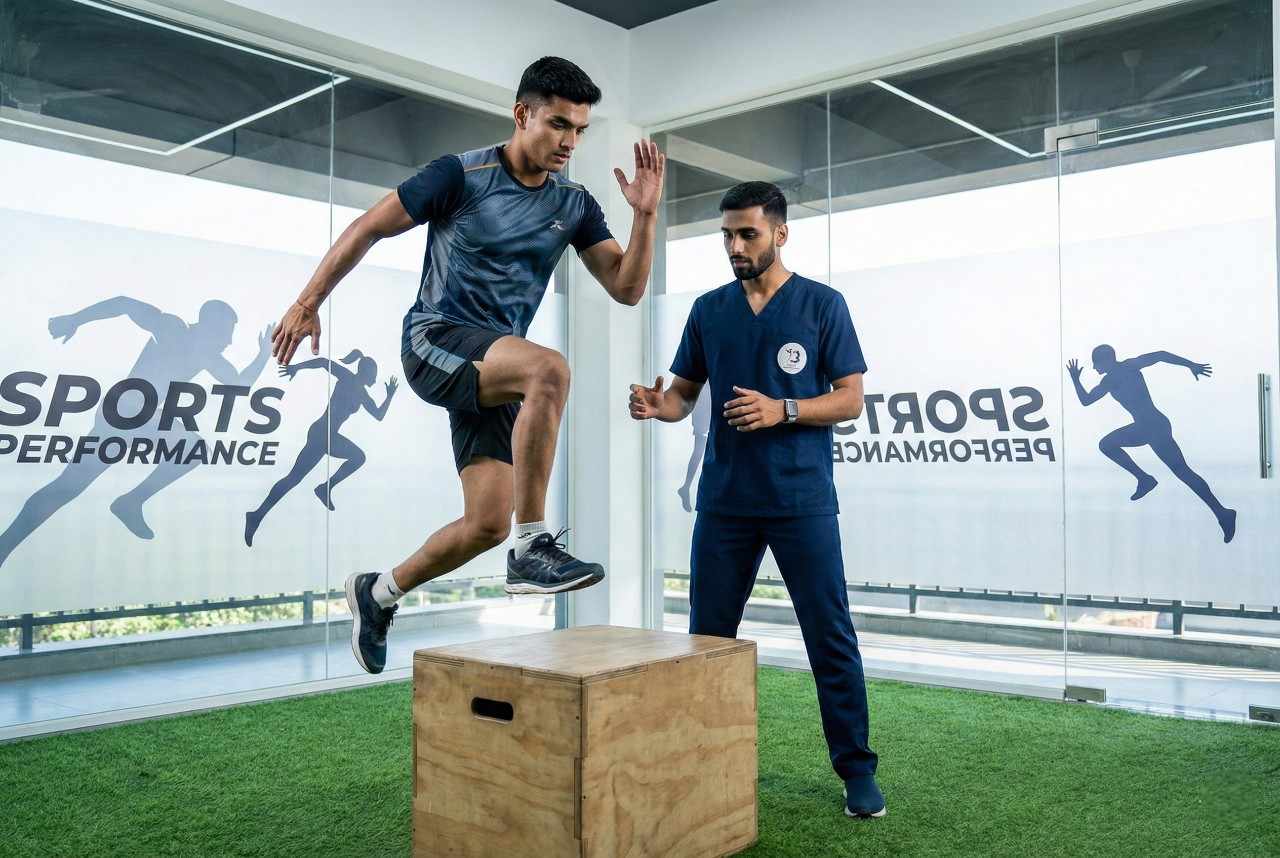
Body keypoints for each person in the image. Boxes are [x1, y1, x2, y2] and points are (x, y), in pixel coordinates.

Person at [271, 56, 665, 674]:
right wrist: (306, 302)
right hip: (437, 340)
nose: (569, 141)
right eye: (558, 123)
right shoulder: (461, 175)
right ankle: (534, 546)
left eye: (580, 129)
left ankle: (377, 594)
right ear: (522, 114)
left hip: (496, 365)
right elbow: (369, 227)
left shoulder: (574, 202)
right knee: (551, 370)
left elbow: (627, 286)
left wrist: (644, 217)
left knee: (485, 523)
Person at [628, 181, 884, 819]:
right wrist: (662, 407)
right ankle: (697, 764)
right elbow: (683, 393)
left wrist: (785, 409)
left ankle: (856, 771)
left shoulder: (823, 305)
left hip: (802, 502)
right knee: (707, 641)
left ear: (779, 233)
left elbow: (849, 399)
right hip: (725, 504)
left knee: (830, 639)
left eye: (747, 234)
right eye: (727, 235)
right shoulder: (709, 310)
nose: (734, 246)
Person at [0, 297, 272, 568]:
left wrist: (262, 355)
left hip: (147, 419)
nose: (229, 342)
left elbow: (239, 383)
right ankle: (5, 546)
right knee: (67, 487)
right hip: (121, 414)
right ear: (207, 326)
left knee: (193, 448)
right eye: (226, 334)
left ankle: (131, 501)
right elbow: (124, 304)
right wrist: (75, 319)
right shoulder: (172, 328)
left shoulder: (208, 357)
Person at [1068, 346, 1235, 542]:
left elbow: (1086, 400)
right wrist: (1190, 365)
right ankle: (1220, 512)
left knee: (1109, 446)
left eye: (1096, 363)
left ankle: (1147, 480)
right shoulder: (1130, 365)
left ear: (1106, 361)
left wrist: (1075, 379)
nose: (1094, 368)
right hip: (1152, 425)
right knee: (1182, 472)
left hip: (1150, 427)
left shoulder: (1110, 379)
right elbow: (1161, 355)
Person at [244, 350, 398, 546]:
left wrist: (390, 396)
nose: (375, 379)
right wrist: (296, 368)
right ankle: (259, 514)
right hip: (321, 433)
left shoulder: (362, 394)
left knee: (354, 459)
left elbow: (378, 415)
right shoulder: (347, 377)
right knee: (294, 478)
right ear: (366, 372)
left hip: (329, 436)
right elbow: (324, 362)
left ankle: (261, 513)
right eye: (373, 374)